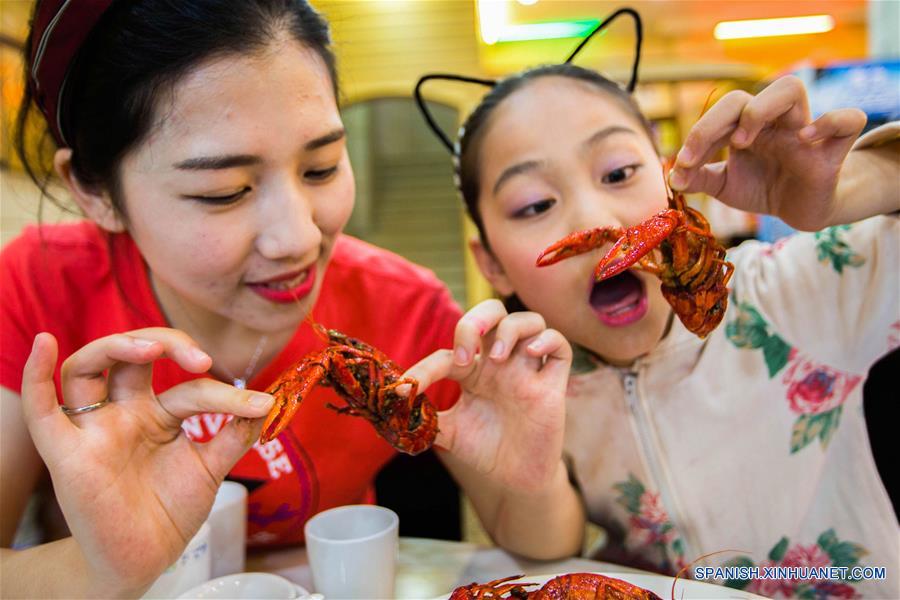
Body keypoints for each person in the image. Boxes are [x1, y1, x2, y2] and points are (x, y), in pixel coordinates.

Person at [0, 1, 583, 596]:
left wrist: (531, 479)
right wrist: (99, 570)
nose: (300, 238)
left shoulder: (404, 308)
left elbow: (544, 546)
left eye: (322, 167)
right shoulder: (35, 286)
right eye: (225, 192)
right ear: (93, 190)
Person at [433, 62, 898, 598]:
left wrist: (845, 192)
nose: (592, 220)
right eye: (535, 204)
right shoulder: (530, 382)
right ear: (489, 261)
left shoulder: (792, 286)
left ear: (671, 179)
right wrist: (528, 481)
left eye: (618, 173)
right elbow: (549, 545)